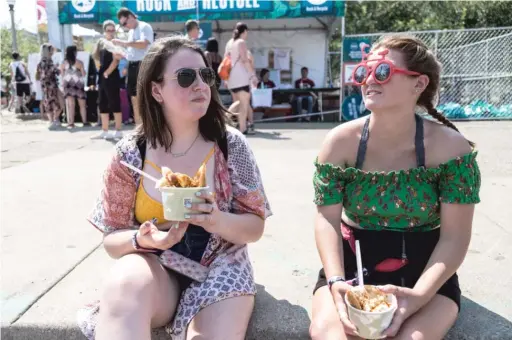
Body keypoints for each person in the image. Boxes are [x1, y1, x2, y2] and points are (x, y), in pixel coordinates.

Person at [77, 36, 272, 340]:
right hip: (156, 266)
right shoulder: (130, 155)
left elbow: (255, 226)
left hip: (220, 267)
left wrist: (215, 219)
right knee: (124, 284)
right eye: (185, 77)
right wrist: (142, 240)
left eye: (205, 75)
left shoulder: (230, 144)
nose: (200, 85)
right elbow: (111, 239)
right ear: (156, 90)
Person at [310, 35, 481, 340]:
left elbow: (455, 237)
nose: (368, 80)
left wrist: (418, 296)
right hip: (353, 261)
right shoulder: (340, 142)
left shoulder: (450, 149)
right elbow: (326, 219)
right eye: (364, 71)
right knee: (330, 335)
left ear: (419, 84)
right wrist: (336, 280)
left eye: (383, 71)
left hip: (425, 268)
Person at [113, 7, 154, 126]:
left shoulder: (144, 27)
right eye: (122, 25)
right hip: (132, 65)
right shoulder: (131, 32)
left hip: (143, 64)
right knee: (134, 98)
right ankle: (139, 127)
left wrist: (124, 43)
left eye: (125, 23)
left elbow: (143, 44)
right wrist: (123, 55)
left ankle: (149, 127)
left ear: (131, 17)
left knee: (145, 97)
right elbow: (132, 51)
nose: (125, 26)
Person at [92, 20, 124, 140]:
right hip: (102, 76)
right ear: (104, 31)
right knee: (102, 103)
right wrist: (100, 70)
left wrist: (107, 73)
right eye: (108, 30)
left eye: (112, 30)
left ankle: (118, 130)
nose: (111, 32)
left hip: (112, 76)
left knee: (115, 102)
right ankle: (105, 130)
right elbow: (95, 57)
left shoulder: (116, 43)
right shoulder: (101, 43)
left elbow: (116, 61)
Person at [224, 22, 257, 135]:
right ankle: (229, 121)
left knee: (240, 102)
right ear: (245, 31)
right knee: (244, 103)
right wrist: (253, 76)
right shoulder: (241, 42)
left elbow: (226, 60)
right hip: (241, 77)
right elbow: (245, 60)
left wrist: (226, 79)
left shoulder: (229, 43)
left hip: (231, 77)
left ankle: (240, 127)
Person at [36, 43, 63, 129]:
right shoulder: (45, 61)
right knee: (53, 103)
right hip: (49, 86)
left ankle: (54, 120)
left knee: (52, 103)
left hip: (49, 85)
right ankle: (53, 120)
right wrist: (56, 68)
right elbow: (45, 75)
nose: (53, 51)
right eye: (51, 50)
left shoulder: (46, 61)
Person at [61, 45, 89, 128]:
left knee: (70, 105)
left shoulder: (63, 63)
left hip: (68, 85)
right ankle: (84, 121)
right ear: (74, 52)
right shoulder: (79, 62)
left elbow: (62, 74)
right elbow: (83, 74)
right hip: (78, 84)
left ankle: (71, 123)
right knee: (82, 104)